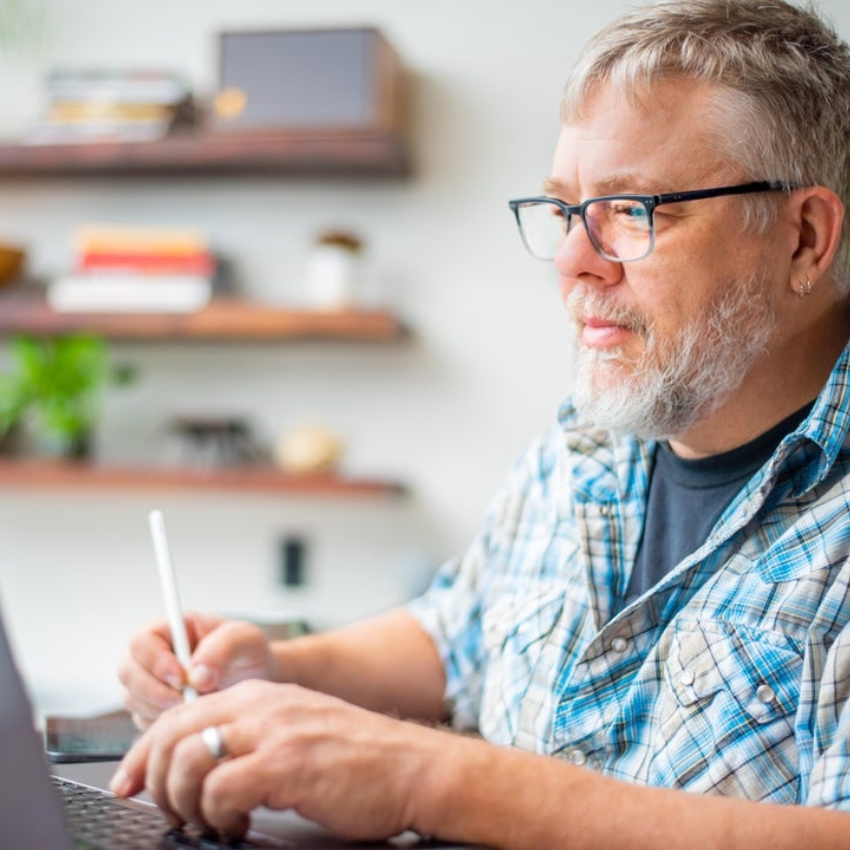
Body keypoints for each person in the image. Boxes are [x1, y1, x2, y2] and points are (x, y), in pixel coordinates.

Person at [113, 0, 850, 846]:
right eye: (565, 210)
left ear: (803, 237)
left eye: (636, 211)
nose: (575, 259)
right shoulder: (586, 443)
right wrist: (271, 672)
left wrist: (431, 776)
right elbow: (453, 636)